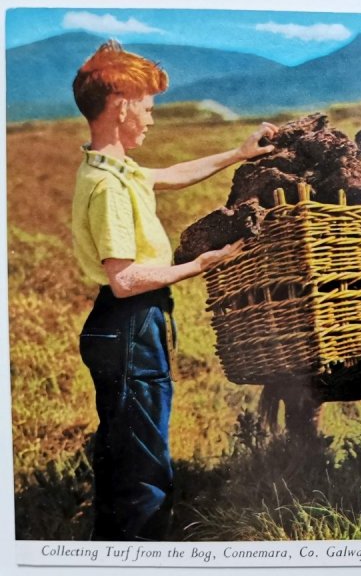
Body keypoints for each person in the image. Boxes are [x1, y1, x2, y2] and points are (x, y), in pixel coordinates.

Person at [71, 40, 278, 540]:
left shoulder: (114, 170)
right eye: (147, 106)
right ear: (121, 107)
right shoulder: (108, 187)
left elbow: (168, 176)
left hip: (126, 328)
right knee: (144, 468)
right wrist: (200, 264)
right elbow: (125, 280)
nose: (152, 118)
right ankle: (143, 553)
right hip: (130, 324)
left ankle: (114, 547)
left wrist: (238, 153)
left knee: (125, 452)